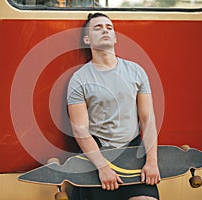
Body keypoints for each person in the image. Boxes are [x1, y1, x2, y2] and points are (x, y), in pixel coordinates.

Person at [67, 12, 160, 200]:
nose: (105, 31)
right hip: (97, 156)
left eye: (109, 28)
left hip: (133, 151)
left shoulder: (136, 71)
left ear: (115, 38)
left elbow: (147, 120)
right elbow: (80, 130)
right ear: (87, 39)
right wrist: (102, 167)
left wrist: (151, 161)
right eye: (98, 28)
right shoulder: (78, 79)